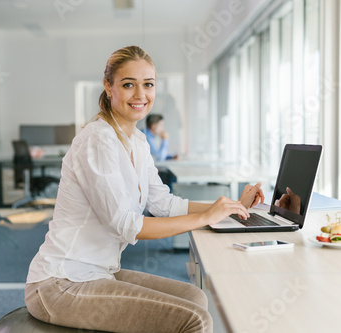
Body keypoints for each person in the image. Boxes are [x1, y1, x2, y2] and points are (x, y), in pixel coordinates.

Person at [24, 45, 264, 333]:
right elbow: (128, 226)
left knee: (195, 297)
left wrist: (231, 206)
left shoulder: (137, 140)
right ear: (108, 87)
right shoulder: (98, 140)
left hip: (98, 271)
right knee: (194, 319)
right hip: (60, 283)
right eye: (128, 85)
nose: (140, 95)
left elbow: (163, 203)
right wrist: (205, 218)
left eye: (148, 85)